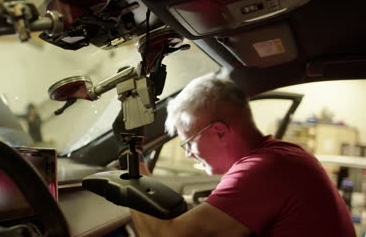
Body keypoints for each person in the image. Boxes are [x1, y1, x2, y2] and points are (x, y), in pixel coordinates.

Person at [131, 73, 355, 237]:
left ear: (218, 131)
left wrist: (132, 156)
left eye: (188, 142)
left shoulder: (264, 169)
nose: (189, 154)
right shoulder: (283, 156)